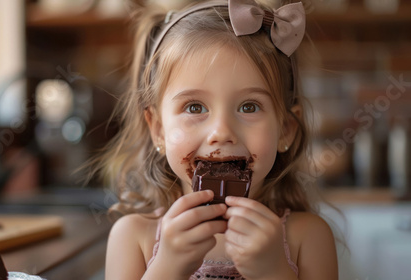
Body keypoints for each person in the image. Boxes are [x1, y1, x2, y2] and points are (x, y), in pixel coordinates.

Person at [94, 0, 338, 279]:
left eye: (249, 107)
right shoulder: (133, 236)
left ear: (285, 129)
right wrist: (167, 268)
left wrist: (274, 271)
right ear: (158, 130)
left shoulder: (307, 237)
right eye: (195, 107)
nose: (221, 132)